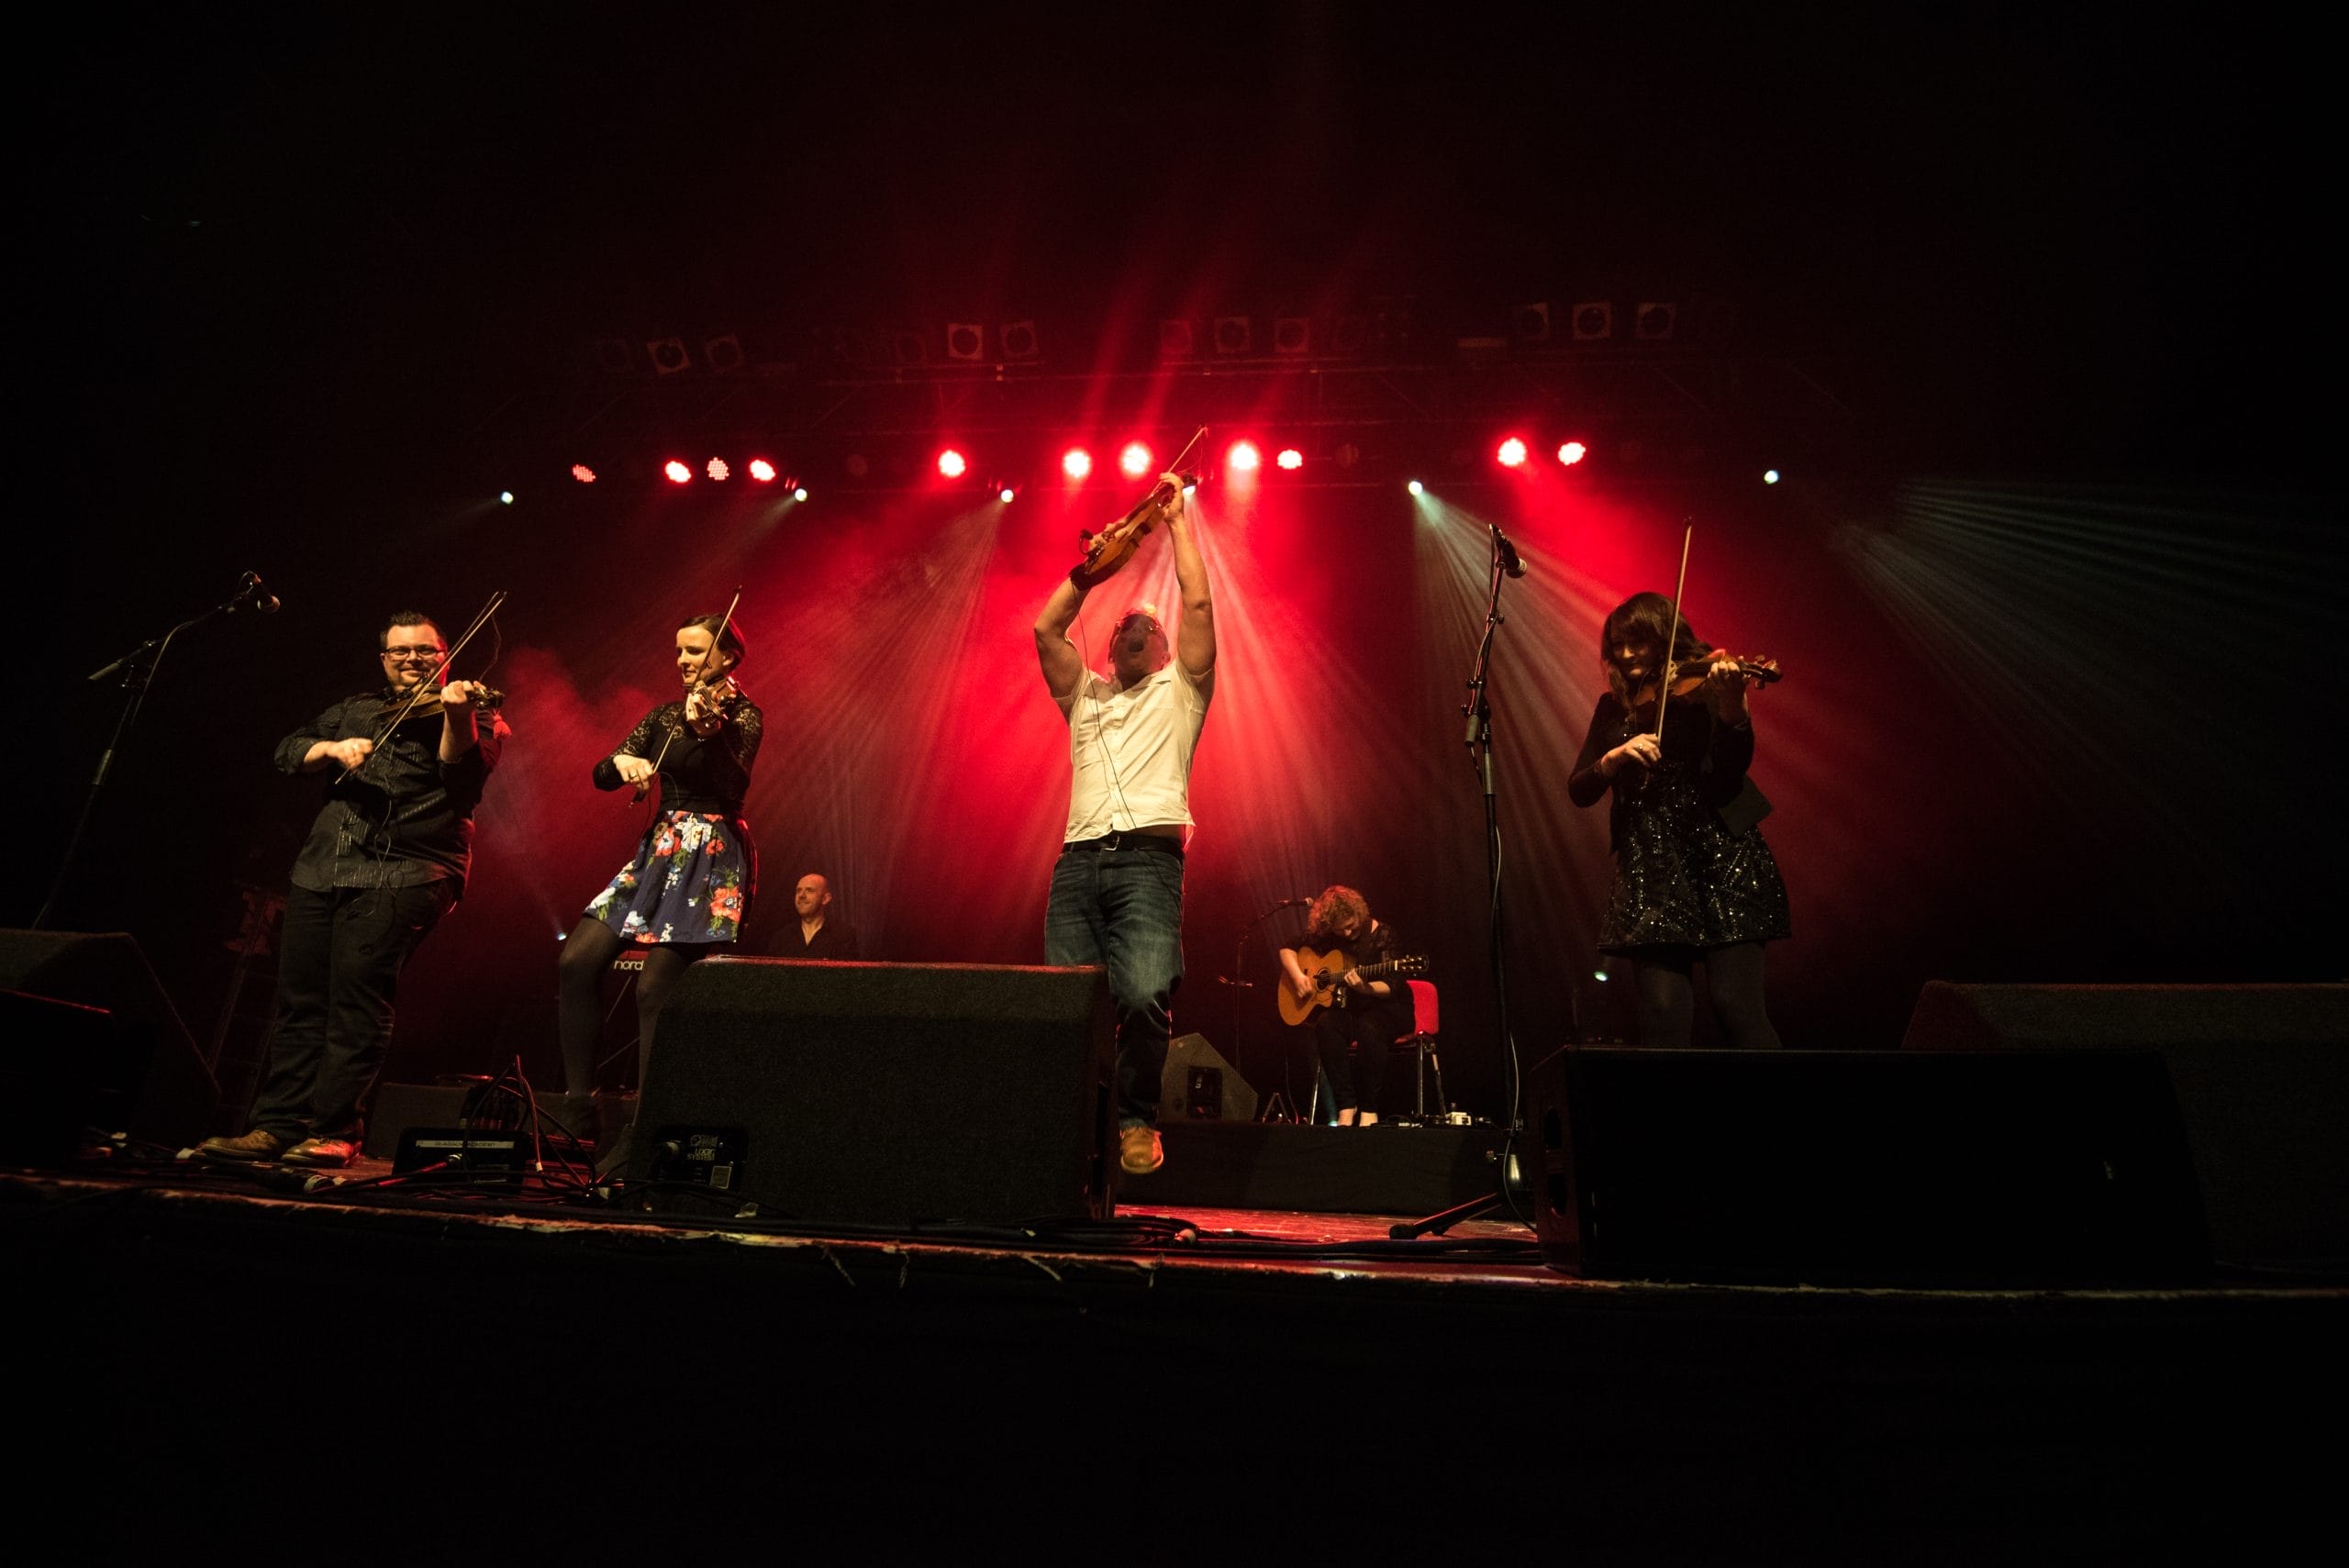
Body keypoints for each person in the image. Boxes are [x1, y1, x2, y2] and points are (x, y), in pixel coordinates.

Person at [199, 613, 507, 1167]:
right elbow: (288, 750)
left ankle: (336, 1130)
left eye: (424, 651)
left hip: (409, 868)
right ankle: (276, 1126)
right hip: (323, 866)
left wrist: (458, 714)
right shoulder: (355, 708)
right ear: (383, 659)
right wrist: (330, 750)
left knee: (357, 998)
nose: (412, 659)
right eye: (400, 651)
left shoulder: (477, 712)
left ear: (445, 657)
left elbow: (460, 774)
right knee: (300, 1001)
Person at [1032, 474, 1215, 1176]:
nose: (1137, 628)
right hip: (1077, 863)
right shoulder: (1086, 695)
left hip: (1147, 863)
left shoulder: (1183, 689)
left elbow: (1196, 602)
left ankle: (1138, 1119)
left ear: (1167, 650)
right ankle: (1072, 1127)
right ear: (1109, 649)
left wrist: (1175, 524)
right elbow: (1045, 629)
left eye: (1150, 627)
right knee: (1066, 1008)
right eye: (1124, 627)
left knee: (1142, 992)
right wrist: (1092, 571)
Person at [1566, 591, 1789, 1048]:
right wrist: (1614, 757)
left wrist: (1733, 705)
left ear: (1665, 638)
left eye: (1639, 642)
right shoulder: (1613, 708)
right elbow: (1579, 789)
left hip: (1723, 858)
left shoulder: (1703, 685)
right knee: (1662, 1014)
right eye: (1618, 645)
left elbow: (1730, 769)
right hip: (1651, 871)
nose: (1627, 654)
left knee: (1736, 1007)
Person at [557, 614, 763, 1108]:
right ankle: (579, 1104)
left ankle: (646, 1121)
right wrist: (621, 763)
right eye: (679, 651)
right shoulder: (664, 716)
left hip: (710, 856)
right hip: (659, 853)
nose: (683, 661)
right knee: (576, 961)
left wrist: (710, 733)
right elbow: (601, 774)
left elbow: (733, 782)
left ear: (727, 657)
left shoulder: (743, 715)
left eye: (694, 651)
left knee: (653, 990)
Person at [1279, 885, 1415, 1127]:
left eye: (1351, 925)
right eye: (1340, 929)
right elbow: (1287, 948)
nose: (1348, 932)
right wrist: (1298, 977)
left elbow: (1392, 985)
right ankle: (1346, 1105)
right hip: (1354, 1009)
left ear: (1358, 913)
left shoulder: (1383, 934)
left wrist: (1366, 988)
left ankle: (1369, 1109)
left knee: (1369, 1028)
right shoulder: (1330, 935)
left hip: (1389, 1008)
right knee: (1326, 1024)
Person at [763, 873, 861, 958]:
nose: (801, 895)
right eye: (798, 890)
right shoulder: (782, 937)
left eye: (809, 890)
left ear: (825, 899)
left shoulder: (843, 936)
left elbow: (845, 973)